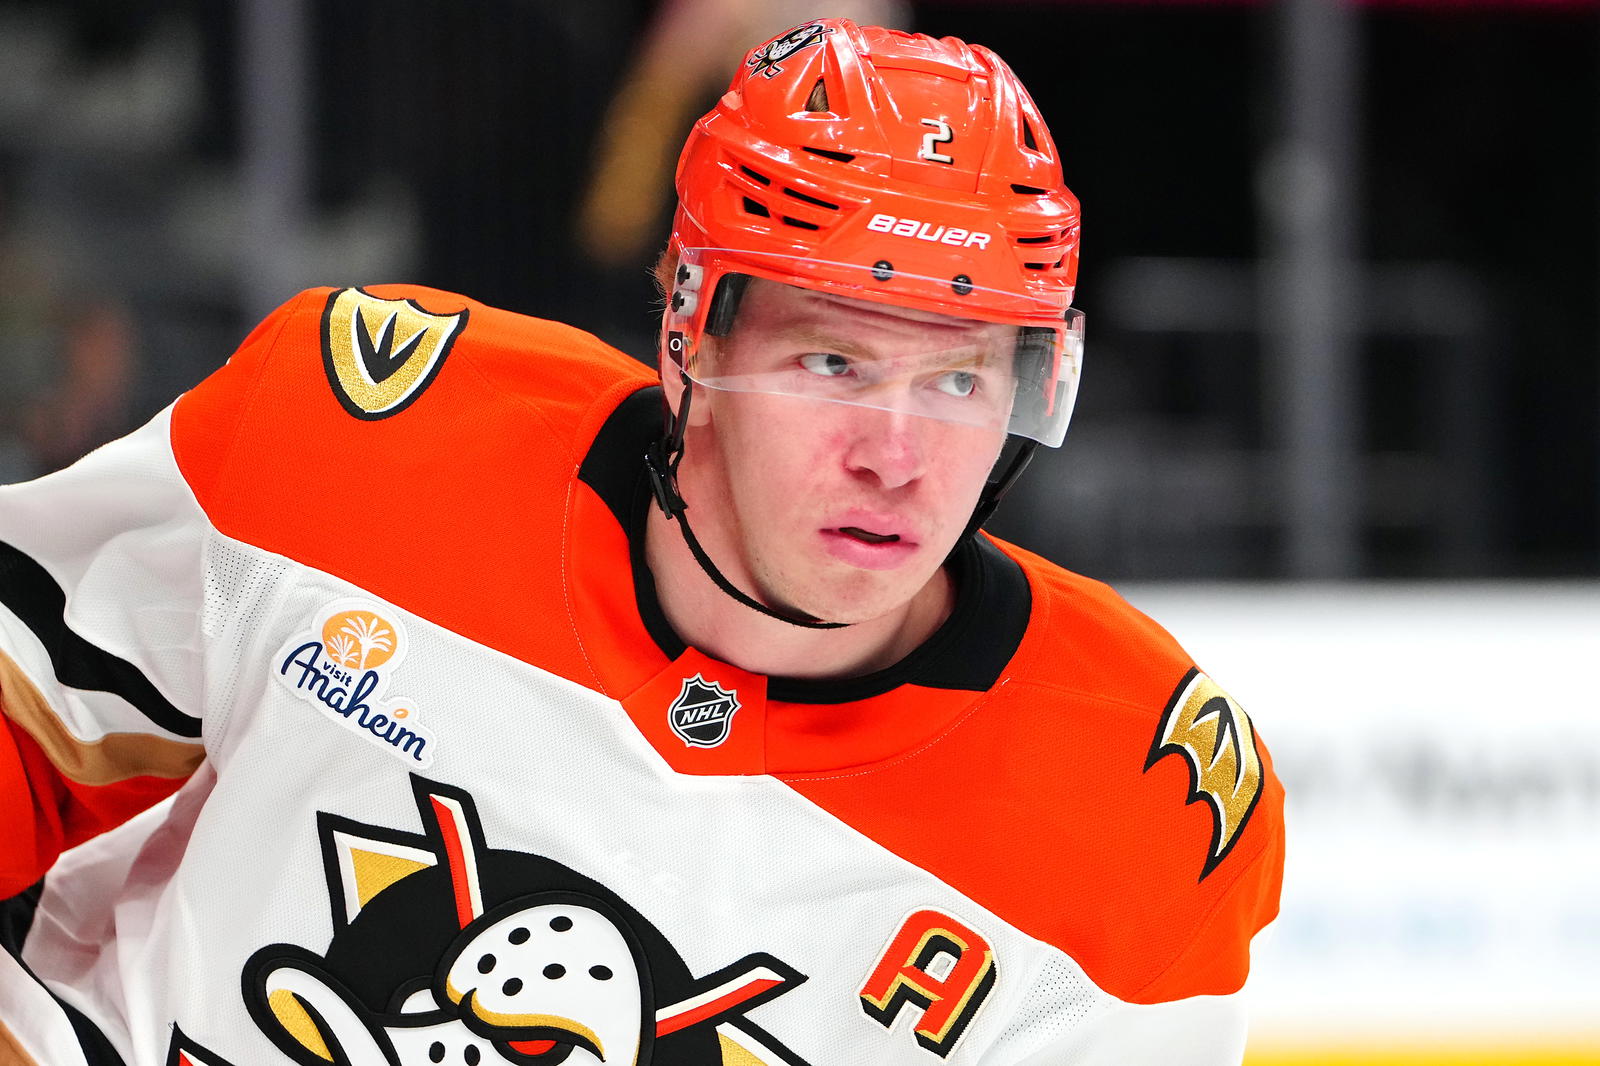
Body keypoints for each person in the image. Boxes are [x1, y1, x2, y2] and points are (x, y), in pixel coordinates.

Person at [0, 18, 1283, 1066]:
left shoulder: (1136, 812)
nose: (899, 457)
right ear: (691, 335)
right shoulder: (367, 439)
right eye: (833, 360)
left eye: (959, 382)